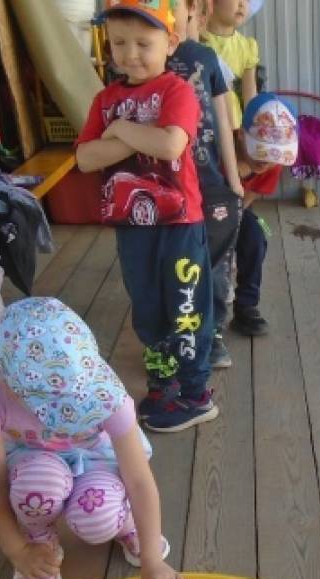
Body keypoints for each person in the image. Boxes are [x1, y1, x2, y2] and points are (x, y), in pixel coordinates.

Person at [0, 297, 184, 579]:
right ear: (10, 382)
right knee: (38, 485)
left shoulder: (108, 393)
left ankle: (126, 525)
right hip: (32, 461)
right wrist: (17, 551)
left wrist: (152, 559)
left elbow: (138, 479)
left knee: (97, 514)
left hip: (97, 459)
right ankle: (38, 540)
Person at [76, 0, 217, 433]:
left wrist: (117, 131)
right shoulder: (105, 98)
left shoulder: (176, 91)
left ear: (170, 42)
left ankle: (196, 393)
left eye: (143, 42)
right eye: (119, 43)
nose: (129, 53)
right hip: (132, 225)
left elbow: (172, 145)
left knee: (186, 305)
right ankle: (162, 381)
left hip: (179, 223)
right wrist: (134, 136)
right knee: (148, 304)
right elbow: (85, 158)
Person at [169, 0, 247, 370]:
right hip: (167, 185)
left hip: (212, 180)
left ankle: (213, 330)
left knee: (216, 260)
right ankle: (179, 332)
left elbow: (224, 119)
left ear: (191, 11)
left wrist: (233, 178)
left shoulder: (204, 57)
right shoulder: (143, 58)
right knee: (176, 263)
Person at [225, 93, 300, 337]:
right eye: (259, 150)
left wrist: (234, 233)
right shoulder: (219, 150)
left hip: (237, 208)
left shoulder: (273, 164)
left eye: (273, 154)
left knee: (257, 234)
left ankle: (246, 306)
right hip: (202, 211)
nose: (265, 161)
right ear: (240, 135)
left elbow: (245, 202)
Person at [202, 0, 259, 129]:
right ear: (211, 2)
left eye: (247, 0)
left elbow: (250, 93)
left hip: (233, 122)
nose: (242, 4)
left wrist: (252, 126)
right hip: (202, 119)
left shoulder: (247, 46)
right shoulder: (197, 39)